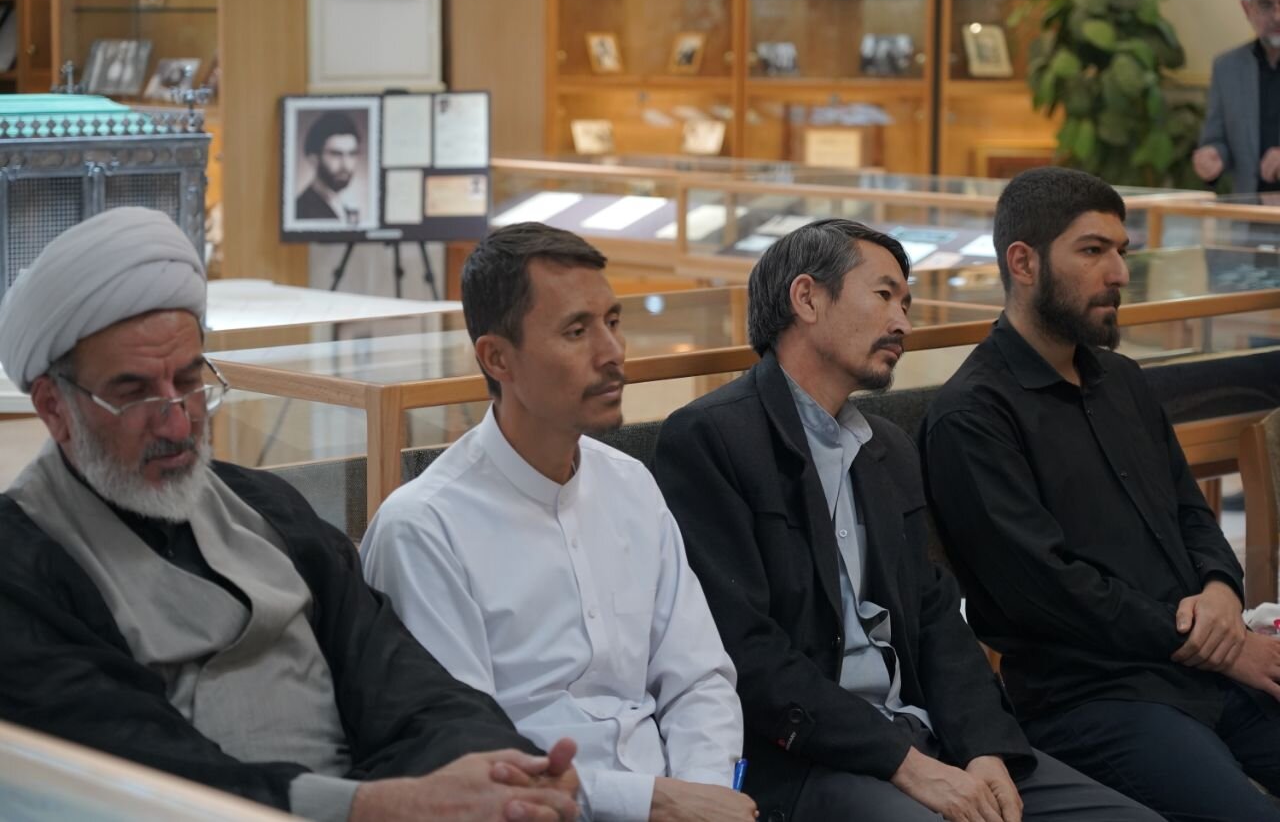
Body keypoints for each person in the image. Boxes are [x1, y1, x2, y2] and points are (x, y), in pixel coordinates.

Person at [0, 208, 581, 822]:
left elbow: (403, 680)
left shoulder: (265, 506)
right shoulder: (20, 565)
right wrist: (373, 807)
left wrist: (503, 772)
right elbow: (137, 770)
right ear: (54, 407)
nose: (176, 421)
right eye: (134, 392)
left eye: (190, 380)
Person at [652, 218, 1158, 822]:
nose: (903, 323)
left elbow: (935, 614)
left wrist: (985, 748)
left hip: (923, 737)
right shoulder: (711, 438)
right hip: (809, 758)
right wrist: (905, 764)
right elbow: (746, 653)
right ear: (807, 298)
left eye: (907, 304)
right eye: (884, 295)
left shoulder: (886, 447)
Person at [361, 222, 754, 822]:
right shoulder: (423, 529)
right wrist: (657, 802)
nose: (612, 352)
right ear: (497, 357)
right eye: (577, 330)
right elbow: (466, 759)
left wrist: (704, 792)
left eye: (613, 321)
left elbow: (699, 678)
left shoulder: (630, 484)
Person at [924, 166, 1280, 822]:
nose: (1118, 273)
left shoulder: (1123, 379)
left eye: (1122, 251)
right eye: (1093, 250)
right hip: (1094, 696)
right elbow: (1051, 592)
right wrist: (1222, 644)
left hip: (1202, 668)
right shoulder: (971, 416)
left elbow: (1191, 512)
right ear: (1023, 263)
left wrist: (1222, 591)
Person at [1193, 0, 1280, 194]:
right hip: (1247, 209)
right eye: (1266, 5)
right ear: (1246, 8)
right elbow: (1216, 139)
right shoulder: (1227, 67)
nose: (1277, 16)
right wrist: (1213, 155)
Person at [296, 111, 362, 223]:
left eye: (352, 154)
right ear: (313, 158)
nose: (346, 164)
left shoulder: (343, 204)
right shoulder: (301, 210)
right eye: (336, 154)